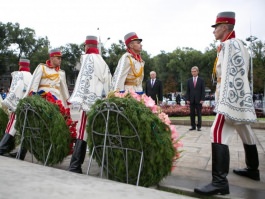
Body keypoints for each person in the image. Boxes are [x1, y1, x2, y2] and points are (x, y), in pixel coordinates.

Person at [194, 11, 260, 196]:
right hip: (235, 97)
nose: (213, 31)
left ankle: (219, 182)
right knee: (245, 131)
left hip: (230, 98)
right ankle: (253, 170)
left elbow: (232, 77)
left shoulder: (230, 45)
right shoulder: (236, 45)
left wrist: (226, 103)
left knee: (217, 132)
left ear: (224, 27)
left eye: (216, 28)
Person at [68, 35, 112, 173]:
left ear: (86, 47)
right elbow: (109, 82)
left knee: (82, 132)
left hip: (88, 102)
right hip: (99, 101)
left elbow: (83, 80)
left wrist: (79, 98)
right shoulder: (102, 61)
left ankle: (75, 165)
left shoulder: (87, 58)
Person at [0, 58, 33, 159]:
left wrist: (9, 102)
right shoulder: (31, 76)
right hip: (28, 106)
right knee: (25, 129)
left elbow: (14, 89)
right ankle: (21, 153)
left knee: (11, 126)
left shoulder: (17, 75)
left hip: (18, 105)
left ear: (20, 65)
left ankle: (2, 147)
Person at [186, 66, 205, 131]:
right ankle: (193, 126)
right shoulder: (189, 81)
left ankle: (199, 126)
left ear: (197, 72)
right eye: (192, 72)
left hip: (199, 100)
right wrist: (187, 99)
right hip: (191, 100)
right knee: (192, 114)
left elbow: (203, 90)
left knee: (199, 114)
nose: (193, 73)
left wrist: (202, 99)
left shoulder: (201, 80)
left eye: (194, 71)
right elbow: (188, 91)